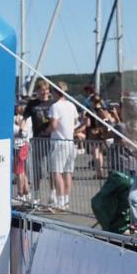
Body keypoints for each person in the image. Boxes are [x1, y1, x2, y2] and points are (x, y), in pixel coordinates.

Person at [48, 83, 80, 212]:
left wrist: (46, 131)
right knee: (67, 172)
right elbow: (76, 122)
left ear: (56, 92)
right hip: (70, 142)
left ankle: (60, 202)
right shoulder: (71, 105)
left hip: (59, 142)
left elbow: (54, 125)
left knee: (57, 172)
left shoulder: (55, 106)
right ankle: (65, 200)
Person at [13, 102, 33, 204]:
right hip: (21, 146)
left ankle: (20, 194)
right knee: (22, 171)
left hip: (21, 146)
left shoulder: (26, 119)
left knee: (19, 171)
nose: (18, 107)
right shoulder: (17, 118)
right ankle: (26, 192)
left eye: (20, 106)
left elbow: (23, 132)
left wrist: (18, 125)